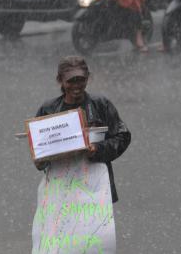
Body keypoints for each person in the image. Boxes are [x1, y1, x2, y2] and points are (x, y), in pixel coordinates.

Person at [35, 56, 131, 203]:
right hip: (61, 187)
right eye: (71, 81)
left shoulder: (101, 104)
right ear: (60, 80)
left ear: (88, 78)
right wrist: (41, 161)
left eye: (80, 79)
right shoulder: (48, 110)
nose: (76, 85)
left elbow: (123, 136)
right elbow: (39, 149)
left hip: (95, 185)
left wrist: (97, 149)